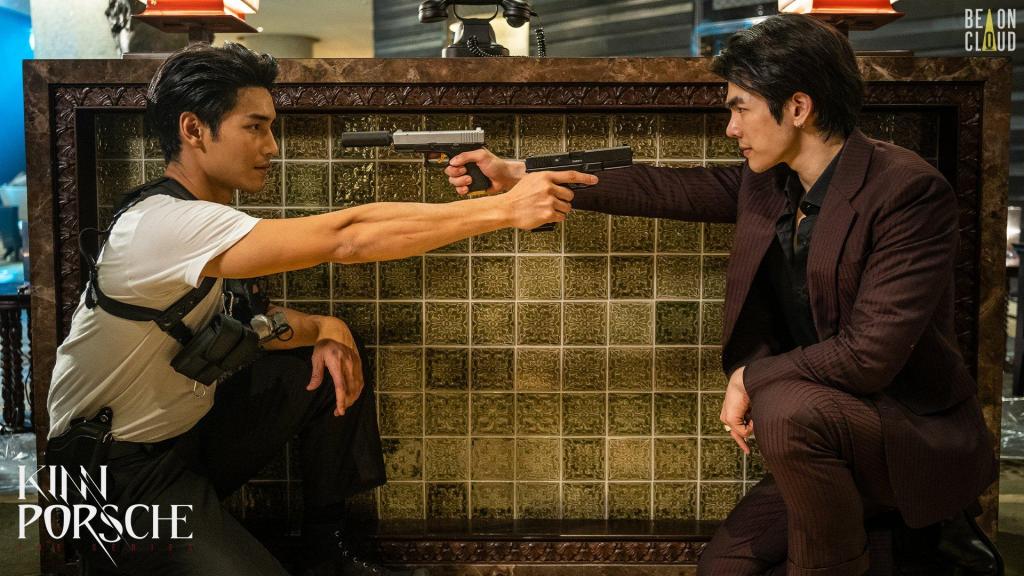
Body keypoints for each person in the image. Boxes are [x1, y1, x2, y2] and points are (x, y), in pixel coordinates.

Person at [445, 14, 1002, 576]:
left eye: (740, 108)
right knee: (725, 567)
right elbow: (663, 187)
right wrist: (518, 173)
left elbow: (868, 356)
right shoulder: (772, 181)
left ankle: (927, 527)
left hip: (905, 436)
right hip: (817, 440)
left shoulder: (906, 190)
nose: (731, 128)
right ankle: (917, 551)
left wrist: (750, 378)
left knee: (785, 405)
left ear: (798, 107)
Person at [45, 42, 594, 576]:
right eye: (254, 127)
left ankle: (326, 548)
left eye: (271, 128)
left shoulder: (196, 219)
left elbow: (249, 321)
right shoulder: (164, 224)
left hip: (184, 442)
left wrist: (327, 327)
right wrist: (504, 209)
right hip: (109, 477)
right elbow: (348, 236)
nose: (272, 147)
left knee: (326, 359)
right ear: (193, 129)